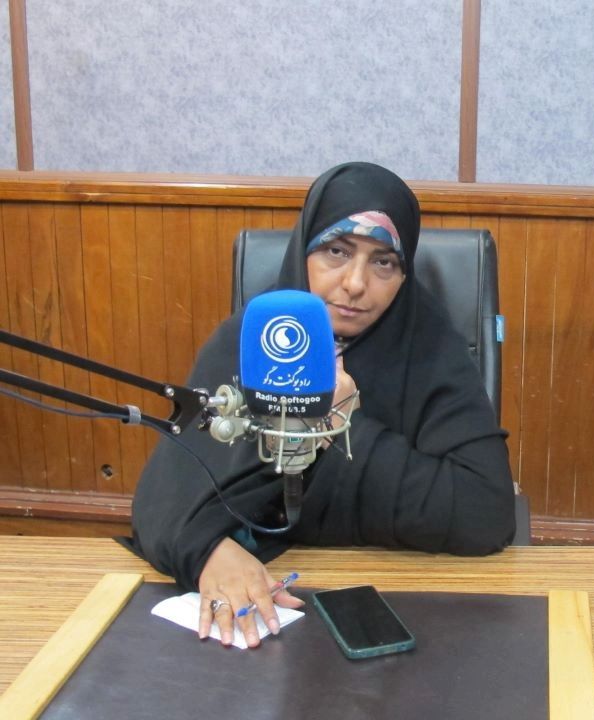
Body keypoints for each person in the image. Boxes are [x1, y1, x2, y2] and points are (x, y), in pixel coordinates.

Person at [130, 162, 516, 647]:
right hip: (271, 607)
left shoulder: (431, 351)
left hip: (407, 601)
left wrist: (345, 423)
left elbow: (485, 514)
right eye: (337, 251)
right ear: (303, 251)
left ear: (404, 274)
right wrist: (208, 550)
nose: (355, 283)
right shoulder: (247, 342)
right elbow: (164, 497)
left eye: (383, 262)